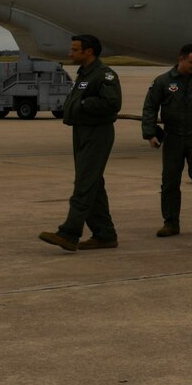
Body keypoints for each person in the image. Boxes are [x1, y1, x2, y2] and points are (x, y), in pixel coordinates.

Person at [39, 34, 121, 252]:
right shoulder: (85, 75)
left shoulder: (105, 75)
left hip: (97, 133)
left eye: (75, 50)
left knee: (85, 184)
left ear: (89, 52)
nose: (70, 53)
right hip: (82, 131)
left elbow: (112, 103)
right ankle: (105, 234)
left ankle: (69, 233)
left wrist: (83, 104)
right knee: (93, 184)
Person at [140, 42, 192, 237]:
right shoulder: (163, 82)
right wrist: (150, 133)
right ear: (181, 59)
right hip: (173, 137)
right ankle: (171, 223)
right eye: (191, 62)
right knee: (170, 181)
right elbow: (150, 108)